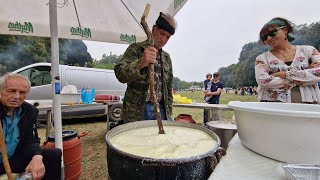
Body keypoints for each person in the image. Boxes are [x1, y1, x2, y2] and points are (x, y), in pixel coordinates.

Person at [114, 12, 177, 123]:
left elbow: (168, 87)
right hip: (138, 110)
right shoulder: (135, 49)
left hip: (161, 108)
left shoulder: (166, 58)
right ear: (153, 29)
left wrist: (169, 110)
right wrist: (141, 63)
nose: (163, 39)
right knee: (137, 139)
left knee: (161, 139)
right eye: (162, 33)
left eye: (168, 37)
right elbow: (120, 74)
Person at [0, 73, 62, 180]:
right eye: (11, 91)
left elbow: (30, 141)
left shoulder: (29, 111)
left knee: (53, 155)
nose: (17, 96)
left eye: (22, 92)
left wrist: (37, 157)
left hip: (12, 159)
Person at [255, 17, 320, 103]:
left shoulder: (308, 51)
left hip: (309, 104)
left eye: (272, 33)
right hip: (273, 107)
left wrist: (285, 74)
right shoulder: (262, 58)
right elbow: (263, 81)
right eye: (264, 37)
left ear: (285, 30)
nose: (269, 38)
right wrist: (306, 73)